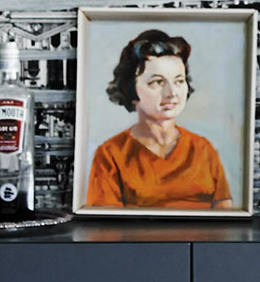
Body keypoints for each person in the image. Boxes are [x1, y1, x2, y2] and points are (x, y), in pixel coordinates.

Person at [83, 28, 235, 211]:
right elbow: (105, 228)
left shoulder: (203, 149)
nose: (171, 93)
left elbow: (225, 217)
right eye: (157, 82)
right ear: (130, 89)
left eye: (179, 81)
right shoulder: (111, 155)